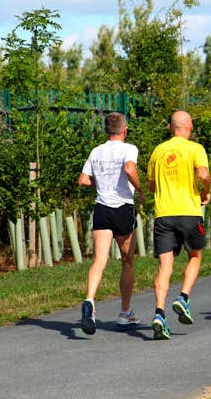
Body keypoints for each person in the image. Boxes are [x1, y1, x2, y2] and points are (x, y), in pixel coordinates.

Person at [77, 112, 145, 335]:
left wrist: (100, 182)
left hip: (102, 209)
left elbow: (83, 180)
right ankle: (125, 313)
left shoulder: (96, 151)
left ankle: (90, 301)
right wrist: (140, 191)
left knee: (99, 259)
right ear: (124, 130)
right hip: (123, 207)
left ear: (107, 131)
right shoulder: (129, 149)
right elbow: (129, 168)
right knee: (127, 261)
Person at [146, 110, 211, 340]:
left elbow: (152, 186)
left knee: (165, 267)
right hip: (189, 214)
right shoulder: (195, 149)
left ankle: (159, 313)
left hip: (163, 215)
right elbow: (203, 173)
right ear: (189, 128)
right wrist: (206, 190)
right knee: (195, 255)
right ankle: (183, 297)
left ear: (170, 128)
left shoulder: (158, 151)